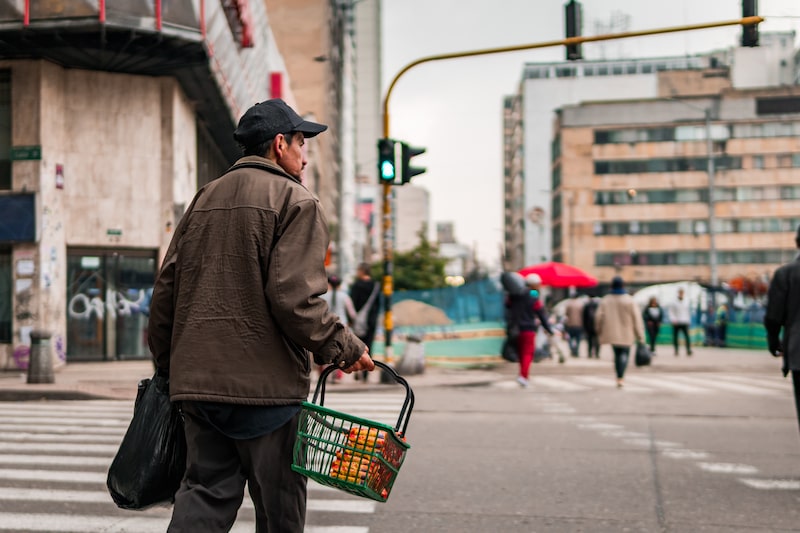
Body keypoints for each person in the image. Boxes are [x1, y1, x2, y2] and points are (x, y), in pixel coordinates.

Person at [147, 98, 375, 533]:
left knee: (204, 496)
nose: (305, 155)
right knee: (279, 508)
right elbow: (296, 301)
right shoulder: (296, 201)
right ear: (279, 144)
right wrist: (345, 347)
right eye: (302, 143)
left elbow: (166, 294)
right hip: (266, 394)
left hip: (198, 390)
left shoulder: (203, 198)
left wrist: (170, 368)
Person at [764, 224, 800, 444]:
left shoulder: (786, 274)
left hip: (798, 352)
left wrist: (773, 341)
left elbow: (773, 316)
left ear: (797, 242)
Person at [595, 276, 645, 388]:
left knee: (617, 354)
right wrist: (640, 336)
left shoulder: (606, 300)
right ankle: (621, 376)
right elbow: (637, 319)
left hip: (612, 333)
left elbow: (598, 317)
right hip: (627, 333)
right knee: (625, 354)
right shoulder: (629, 300)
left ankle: (619, 376)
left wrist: (598, 330)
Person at [506, 273, 554, 387]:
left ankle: (522, 374)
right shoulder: (533, 294)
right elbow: (540, 312)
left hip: (515, 328)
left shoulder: (515, 294)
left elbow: (507, 305)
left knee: (521, 353)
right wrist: (548, 328)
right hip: (528, 329)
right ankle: (523, 376)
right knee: (527, 353)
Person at [319, 274, 357, 382]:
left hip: (325, 326)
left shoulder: (322, 296)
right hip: (342, 326)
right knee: (340, 351)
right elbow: (352, 314)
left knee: (324, 350)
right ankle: (338, 375)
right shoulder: (345, 297)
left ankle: (324, 374)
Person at [350, 262, 381, 382]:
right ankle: (367, 373)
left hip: (358, 320)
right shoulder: (376, 285)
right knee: (369, 346)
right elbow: (378, 304)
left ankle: (357, 370)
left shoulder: (357, 285)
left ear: (362, 271)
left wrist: (352, 320)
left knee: (358, 346)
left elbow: (352, 303)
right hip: (371, 320)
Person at [668, 287, 693, 356]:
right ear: (678, 293)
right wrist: (673, 319)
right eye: (680, 292)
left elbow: (688, 311)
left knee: (687, 337)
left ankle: (688, 350)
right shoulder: (673, 301)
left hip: (685, 321)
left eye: (682, 293)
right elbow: (671, 312)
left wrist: (688, 320)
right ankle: (676, 350)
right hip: (676, 321)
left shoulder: (687, 301)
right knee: (675, 337)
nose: (681, 294)